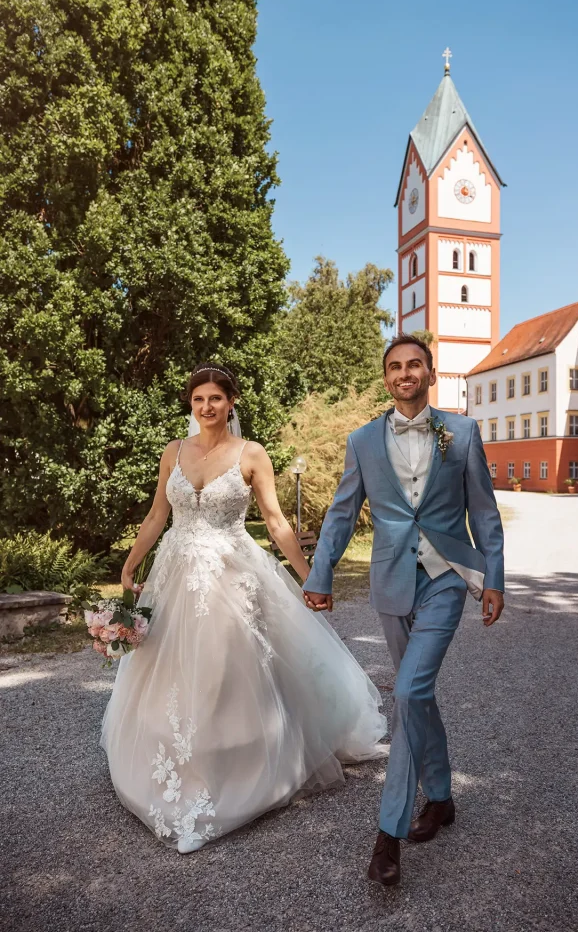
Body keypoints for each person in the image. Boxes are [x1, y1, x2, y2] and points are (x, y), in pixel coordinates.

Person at [101, 363, 387, 853]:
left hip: (231, 576)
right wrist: (129, 566)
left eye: (215, 398)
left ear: (230, 401)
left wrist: (312, 577)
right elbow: (156, 516)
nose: (206, 406)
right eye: (198, 399)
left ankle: (232, 775)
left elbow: (276, 522)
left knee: (223, 670)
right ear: (190, 404)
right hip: (174, 574)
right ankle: (175, 771)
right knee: (169, 671)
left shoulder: (251, 453)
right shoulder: (173, 452)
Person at [303, 334, 504, 886]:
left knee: (409, 692)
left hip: (445, 578)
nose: (405, 373)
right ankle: (440, 797)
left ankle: (387, 836)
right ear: (387, 377)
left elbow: (484, 511)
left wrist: (494, 577)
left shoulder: (462, 432)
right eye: (395, 366)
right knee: (419, 697)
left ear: (430, 374)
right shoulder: (363, 440)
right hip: (391, 581)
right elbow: (342, 513)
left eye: (415, 364)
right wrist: (320, 573)